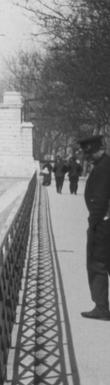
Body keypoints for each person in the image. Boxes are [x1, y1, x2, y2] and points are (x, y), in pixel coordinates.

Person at [80, 133, 110, 321]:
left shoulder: (103, 169)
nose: (88, 157)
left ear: (102, 149)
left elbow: (99, 200)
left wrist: (92, 225)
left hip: (102, 226)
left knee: (97, 265)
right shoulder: (104, 165)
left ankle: (101, 308)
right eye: (86, 154)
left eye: (91, 153)